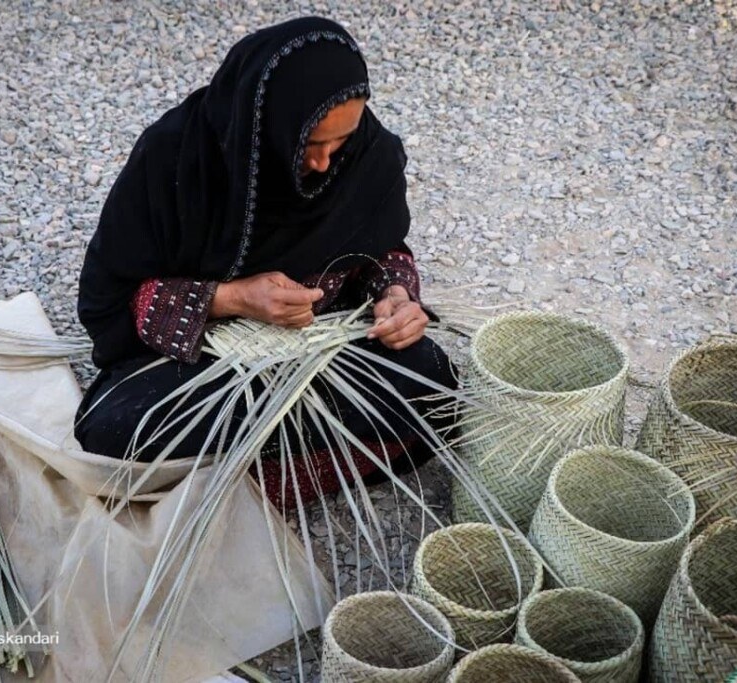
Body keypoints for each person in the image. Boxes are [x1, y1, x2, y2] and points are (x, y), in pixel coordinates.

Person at [74, 16, 457, 508]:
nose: (323, 163)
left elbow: (385, 250)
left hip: (324, 344)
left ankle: (226, 487)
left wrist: (396, 297)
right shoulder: (175, 158)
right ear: (267, 127)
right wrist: (231, 298)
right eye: (308, 145)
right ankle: (278, 469)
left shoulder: (368, 155)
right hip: (207, 360)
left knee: (436, 384)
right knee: (113, 427)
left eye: (338, 142)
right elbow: (108, 300)